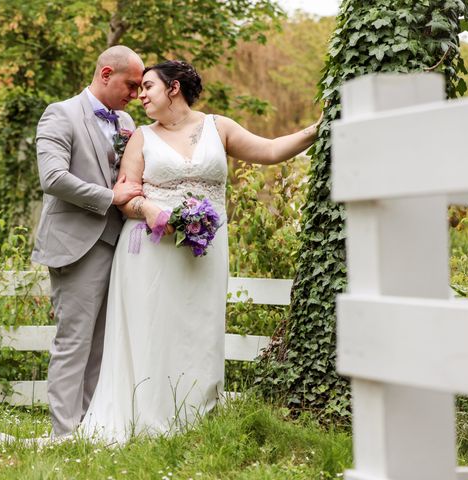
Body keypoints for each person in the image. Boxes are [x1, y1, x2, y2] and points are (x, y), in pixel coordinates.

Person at [80, 60, 321, 444]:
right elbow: (126, 195)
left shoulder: (218, 127)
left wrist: (316, 129)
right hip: (151, 251)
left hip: (205, 250)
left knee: (199, 329)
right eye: (139, 89)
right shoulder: (141, 136)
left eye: (148, 87)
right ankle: (148, 418)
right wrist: (149, 210)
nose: (140, 95)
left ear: (173, 88)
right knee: (154, 330)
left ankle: (195, 420)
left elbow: (272, 149)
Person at [31, 45, 145, 437]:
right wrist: (109, 197)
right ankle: (62, 435)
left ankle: (88, 428)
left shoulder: (127, 121)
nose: (135, 93)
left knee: (102, 343)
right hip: (76, 244)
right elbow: (53, 178)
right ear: (106, 73)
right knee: (74, 341)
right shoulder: (60, 114)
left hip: (122, 245)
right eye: (131, 84)